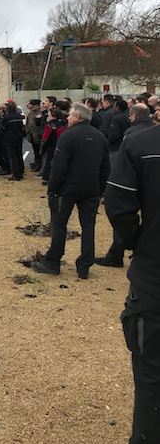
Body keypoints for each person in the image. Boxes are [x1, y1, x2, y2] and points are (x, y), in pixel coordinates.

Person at [105, 116, 160, 442]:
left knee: (151, 374)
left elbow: (119, 206)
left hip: (154, 277)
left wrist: (137, 242)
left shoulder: (141, 144)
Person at [31, 102, 110, 279]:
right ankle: (84, 265)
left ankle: (52, 262)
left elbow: (58, 166)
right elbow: (106, 167)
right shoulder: (100, 137)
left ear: (77, 117)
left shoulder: (68, 136)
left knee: (59, 225)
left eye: (70, 115)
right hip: (91, 190)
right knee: (88, 227)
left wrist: (52, 189)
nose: (67, 118)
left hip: (67, 189)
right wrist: (100, 189)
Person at [95, 104, 153, 269]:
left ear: (133, 116)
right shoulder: (153, 131)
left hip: (131, 182)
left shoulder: (131, 134)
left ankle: (117, 254)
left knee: (125, 215)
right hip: (150, 183)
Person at [40, 107, 68, 185]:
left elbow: (45, 137)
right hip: (63, 145)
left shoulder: (50, 125)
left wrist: (42, 147)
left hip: (52, 145)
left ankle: (49, 179)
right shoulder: (65, 124)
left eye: (49, 116)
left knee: (49, 162)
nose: (48, 117)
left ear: (54, 116)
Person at [1, 101, 24, 181]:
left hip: (10, 138)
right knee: (19, 155)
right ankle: (21, 172)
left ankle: (16, 174)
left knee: (13, 157)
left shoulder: (7, 117)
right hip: (19, 137)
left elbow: (3, 127)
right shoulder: (18, 116)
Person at [107, 99, 131, 167]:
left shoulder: (116, 118)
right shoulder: (129, 117)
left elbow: (114, 134)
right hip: (127, 145)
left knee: (115, 167)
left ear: (118, 107)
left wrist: (108, 141)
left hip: (116, 147)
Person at [25, 99, 41, 172]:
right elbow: (27, 123)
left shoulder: (40, 113)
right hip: (32, 135)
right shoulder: (31, 113)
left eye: (33, 105)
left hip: (38, 135)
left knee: (39, 152)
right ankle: (36, 163)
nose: (31, 106)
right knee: (35, 150)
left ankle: (39, 165)